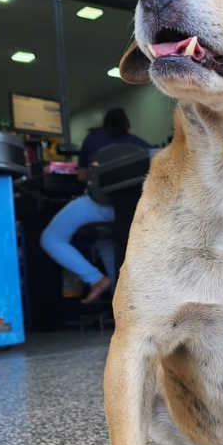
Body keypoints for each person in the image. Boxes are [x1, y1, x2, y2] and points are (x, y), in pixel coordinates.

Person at [40, 108, 151, 304]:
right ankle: (122, 299)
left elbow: (83, 176)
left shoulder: (93, 139)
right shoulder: (141, 144)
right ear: (128, 127)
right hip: (135, 210)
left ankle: (96, 279)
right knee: (110, 238)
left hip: (100, 205)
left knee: (51, 238)